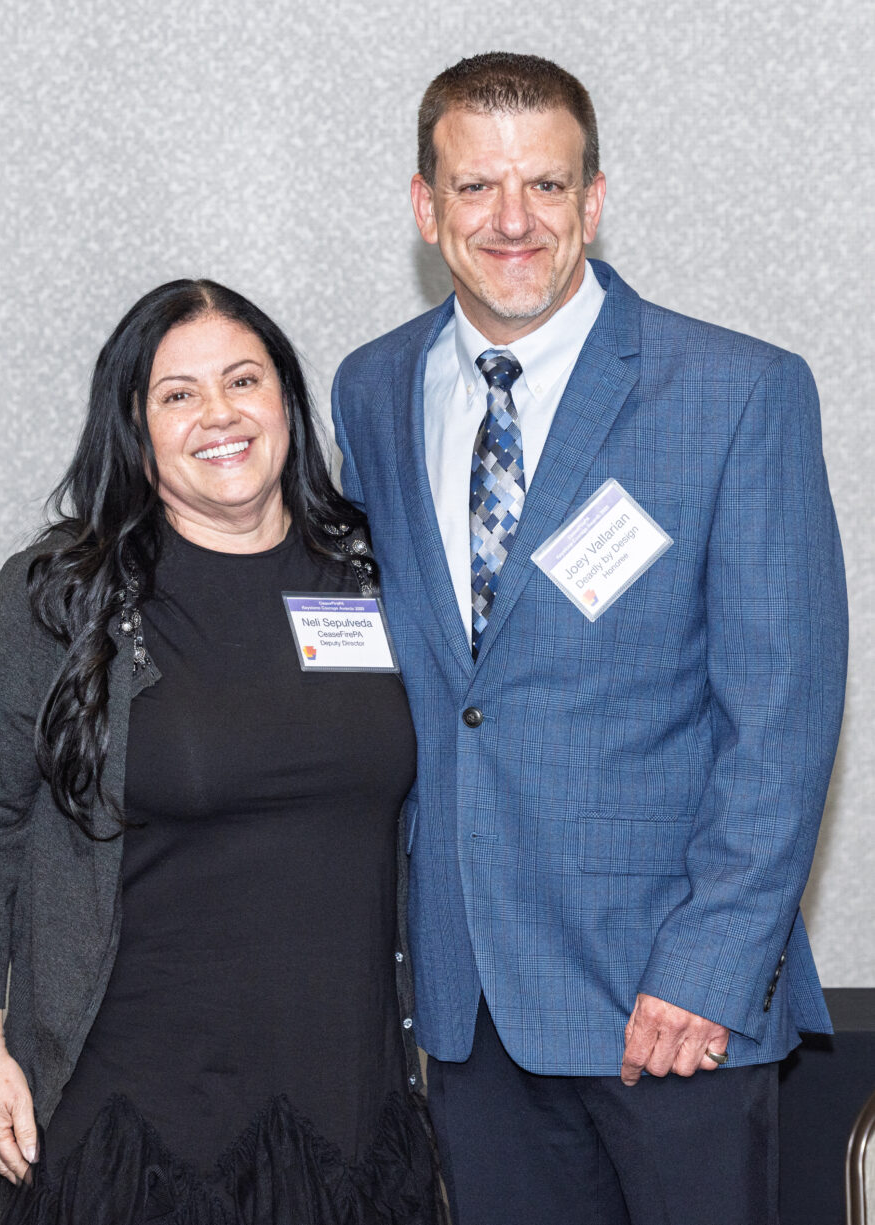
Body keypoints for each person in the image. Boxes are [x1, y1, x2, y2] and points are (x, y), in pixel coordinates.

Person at [331, 51, 848, 1225]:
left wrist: (710, 967)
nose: (511, 219)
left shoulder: (735, 392)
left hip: (667, 1008)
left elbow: (782, 714)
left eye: (546, 185)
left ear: (594, 199)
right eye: (474, 187)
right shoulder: (370, 389)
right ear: (424, 207)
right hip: (469, 1003)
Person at [0, 279, 442, 1225]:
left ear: (285, 398)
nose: (220, 413)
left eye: (243, 380)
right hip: (133, 1118)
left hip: (349, 1095)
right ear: (135, 428)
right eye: (179, 393)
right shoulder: (59, 597)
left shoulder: (377, 574)